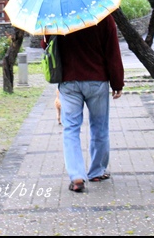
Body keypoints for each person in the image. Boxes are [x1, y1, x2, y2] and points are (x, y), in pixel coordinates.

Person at [44, 14, 124, 193]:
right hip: (97, 80)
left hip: (69, 81)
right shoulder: (102, 16)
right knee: (99, 127)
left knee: (70, 128)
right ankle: (96, 171)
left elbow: (47, 46)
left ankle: (77, 177)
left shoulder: (57, 17)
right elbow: (112, 51)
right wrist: (117, 82)